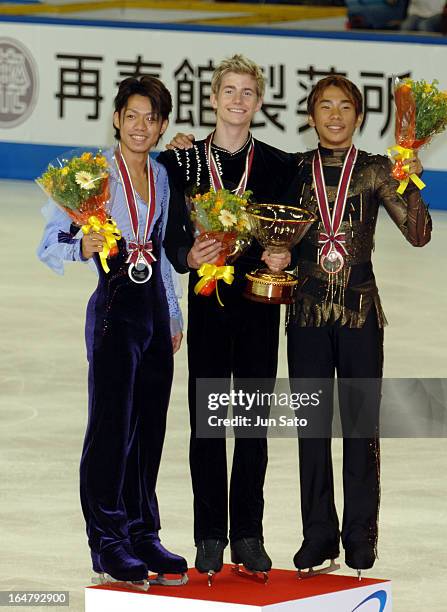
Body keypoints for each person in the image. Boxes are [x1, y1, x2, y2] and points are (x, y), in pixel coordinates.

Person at [37, 76, 188, 588]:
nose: (141, 126)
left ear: (163, 126)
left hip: (152, 312)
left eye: (152, 118)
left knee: (150, 431)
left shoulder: (163, 178)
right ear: (118, 119)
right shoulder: (92, 174)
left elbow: (164, 252)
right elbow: (51, 243)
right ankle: (108, 540)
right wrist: (81, 246)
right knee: (111, 429)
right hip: (114, 311)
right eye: (132, 116)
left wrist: (172, 314)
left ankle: (143, 532)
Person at [286, 75, 431, 578]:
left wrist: (410, 178)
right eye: (324, 106)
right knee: (310, 429)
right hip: (305, 313)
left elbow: (418, 235)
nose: (334, 115)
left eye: (344, 106)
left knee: (360, 428)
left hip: (360, 315)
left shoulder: (373, 172)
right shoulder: (295, 169)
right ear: (310, 116)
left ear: (359, 116)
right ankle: (317, 536)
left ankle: (359, 537)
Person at [157, 54, 296, 582]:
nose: (238, 101)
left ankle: (250, 536)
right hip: (208, 306)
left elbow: (289, 237)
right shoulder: (183, 164)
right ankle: (210, 535)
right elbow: (170, 235)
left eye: (248, 93)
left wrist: (283, 257)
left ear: (259, 104)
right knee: (209, 425)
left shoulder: (280, 166)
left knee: (253, 425)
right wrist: (186, 258)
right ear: (212, 99)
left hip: (259, 309)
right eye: (229, 91)